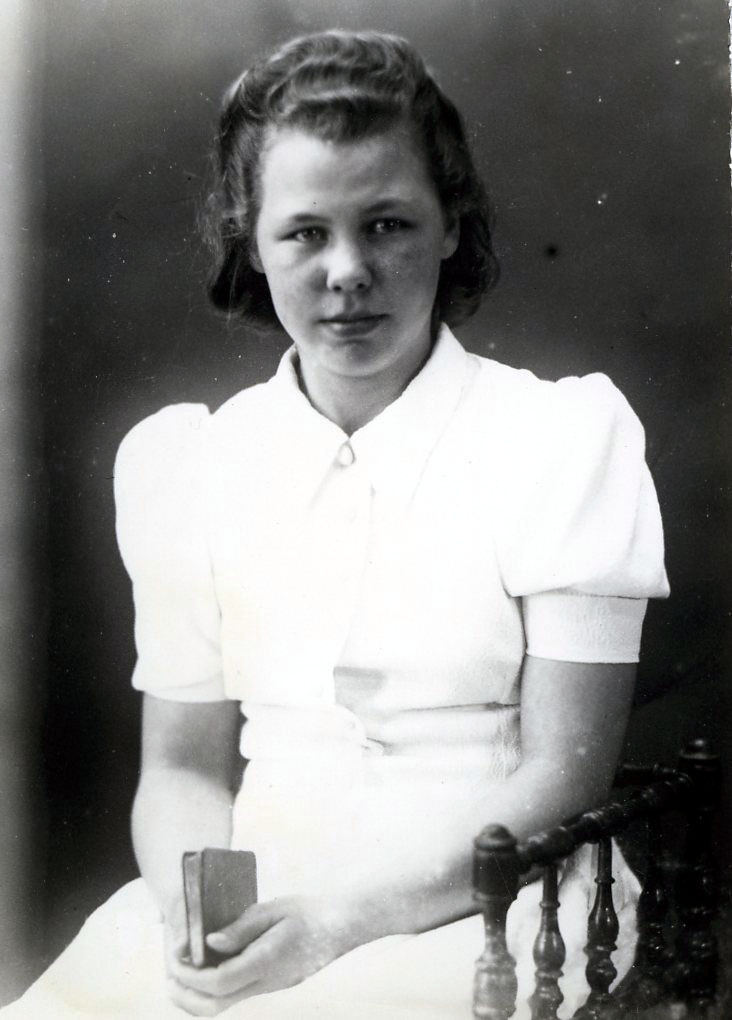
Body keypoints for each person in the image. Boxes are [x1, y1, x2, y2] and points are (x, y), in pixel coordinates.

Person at [4, 29, 669, 1020]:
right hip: (265, 897)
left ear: (451, 226)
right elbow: (181, 768)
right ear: (251, 241)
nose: (348, 269)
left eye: (388, 223)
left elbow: (562, 778)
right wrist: (202, 921)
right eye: (305, 233)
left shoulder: (560, 439)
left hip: (490, 902)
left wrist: (338, 925)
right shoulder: (190, 463)